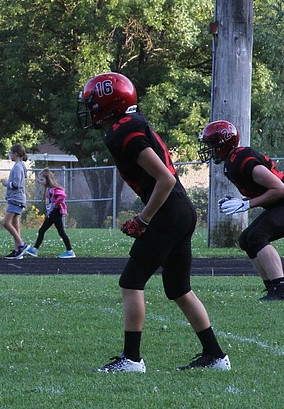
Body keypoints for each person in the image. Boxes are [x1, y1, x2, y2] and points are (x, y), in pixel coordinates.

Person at [79, 72, 229, 373]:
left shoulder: (123, 132)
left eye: (94, 102)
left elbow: (164, 177)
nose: (90, 108)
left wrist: (143, 218)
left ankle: (132, 360)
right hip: (180, 209)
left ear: (110, 102)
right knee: (178, 289)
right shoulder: (129, 125)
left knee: (131, 282)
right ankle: (215, 356)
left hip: (168, 210)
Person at [199, 120, 284, 302]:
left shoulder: (242, 160)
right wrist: (240, 201)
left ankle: (282, 291)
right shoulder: (231, 162)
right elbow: (263, 191)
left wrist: (246, 205)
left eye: (211, 144)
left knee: (257, 237)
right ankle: (272, 289)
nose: (209, 149)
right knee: (246, 239)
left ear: (223, 143)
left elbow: (280, 189)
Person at [1, 143, 35, 260]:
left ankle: (22, 245)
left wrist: (5, 183)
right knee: (15, 223)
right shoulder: (20, 166)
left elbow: (16, 185)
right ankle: (17, 251)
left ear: (15, 154)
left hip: (16, 199)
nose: (9, 155)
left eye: (10, 153)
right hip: (17, 198)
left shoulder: (18, 167)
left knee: (6, 223)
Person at [32, 168, 75, 258]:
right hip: (51, 213)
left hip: (56, 212)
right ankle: (34, 250)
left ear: (48, 179)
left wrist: (56, 204)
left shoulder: (54, 189)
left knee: (61, 232)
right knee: (42, 230)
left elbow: (62, 195)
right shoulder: (49, 189)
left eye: (42, 179)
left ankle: (70, 251)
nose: (40, 182)